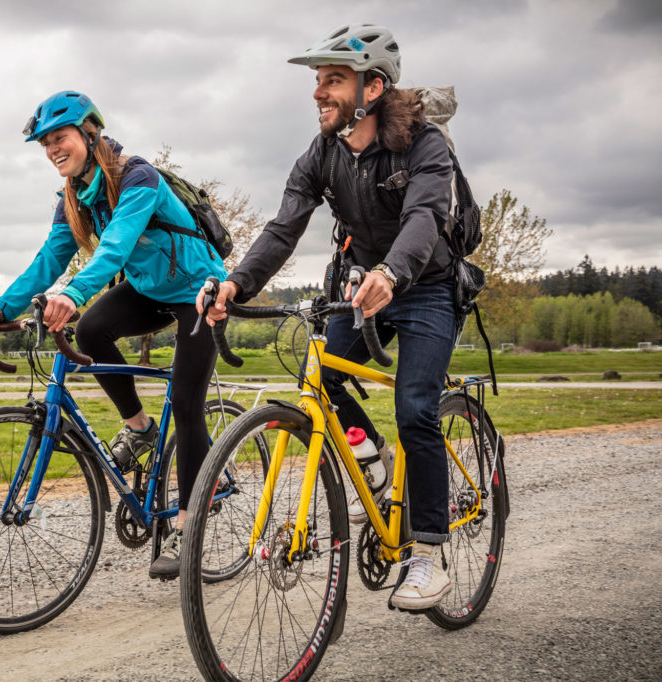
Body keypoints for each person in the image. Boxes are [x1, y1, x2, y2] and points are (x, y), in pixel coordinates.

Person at [201, 24, 459, 610]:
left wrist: (391, 274)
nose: (318, 93)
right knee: (322, 375)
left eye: (333, 81)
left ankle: (427, 555)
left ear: (372, 88)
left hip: (426, 286)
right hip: (361, 288)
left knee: (415, 407)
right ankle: (372, 458)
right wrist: (236, 283)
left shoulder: (424, 145)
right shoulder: (321, 153)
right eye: (317, 82)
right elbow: (283, 227)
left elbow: (423, 218)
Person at [0, 91, 227, 579]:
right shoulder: (73, 194)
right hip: (150, 289)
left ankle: (188, 530)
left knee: (188, 402)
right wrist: (0, 308)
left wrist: (75, 291)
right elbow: (50, 257)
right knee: (91, 330)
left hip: (199, 291)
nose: (52, 150)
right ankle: (141, 430)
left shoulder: (138, 177)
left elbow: (114, 247)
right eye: (45, 143)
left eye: (59, 138)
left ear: (90, 133)